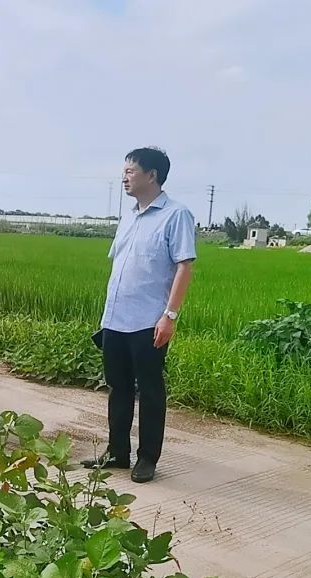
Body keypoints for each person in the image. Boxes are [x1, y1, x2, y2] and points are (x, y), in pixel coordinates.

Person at [81, 147, 196, 484]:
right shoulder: (129, 216)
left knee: (149, 390)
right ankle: (117, 451)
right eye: (124, 171)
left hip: (149, 320)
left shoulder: (176, 215)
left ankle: (147, 458)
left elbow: (184, 266)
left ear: (152, 175)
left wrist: (169, 315)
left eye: (130, 171)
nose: (124, 177)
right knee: (118, 387)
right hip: (116, 318)